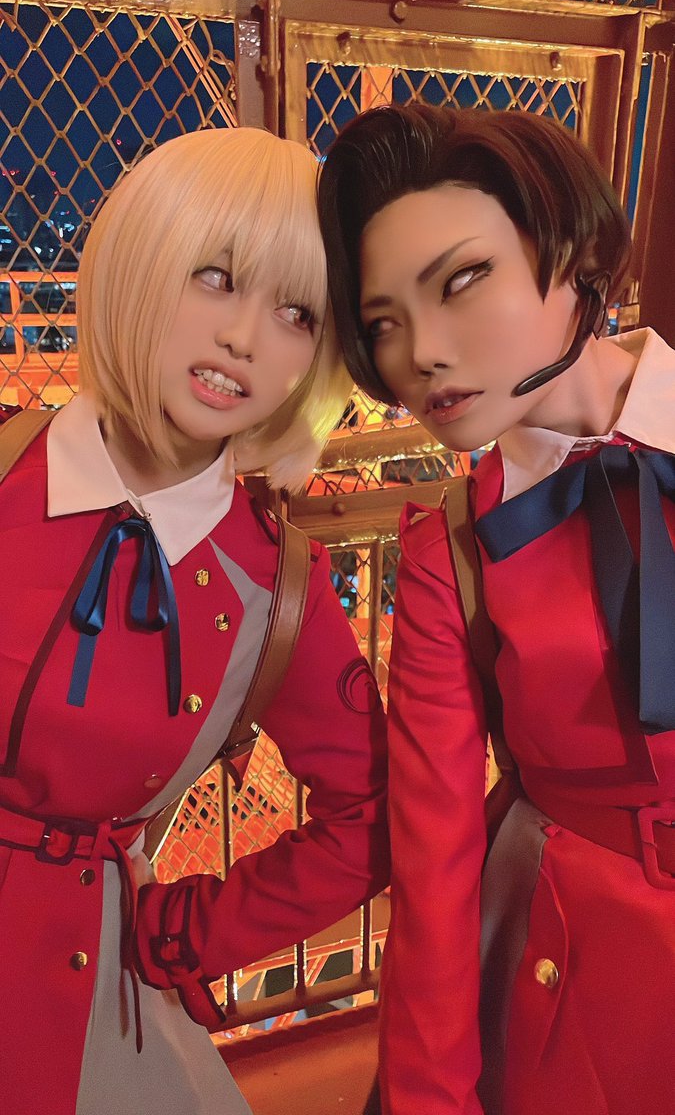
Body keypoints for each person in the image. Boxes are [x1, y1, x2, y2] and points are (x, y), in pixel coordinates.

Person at [0, 126, 389, 1115]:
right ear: (141, 261)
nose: (245, 338)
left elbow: (368, 814)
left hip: (83, 999)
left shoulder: (272, 582)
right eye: (215, 277)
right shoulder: (8, 470)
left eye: (297, 312)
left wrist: (184, 934)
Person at [317, 101, 675, 1115]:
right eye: (383, 324)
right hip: (580, 984)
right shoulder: (453, 551)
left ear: (571, 249)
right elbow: (432, 860)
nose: (421, 353)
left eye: (462, 279)